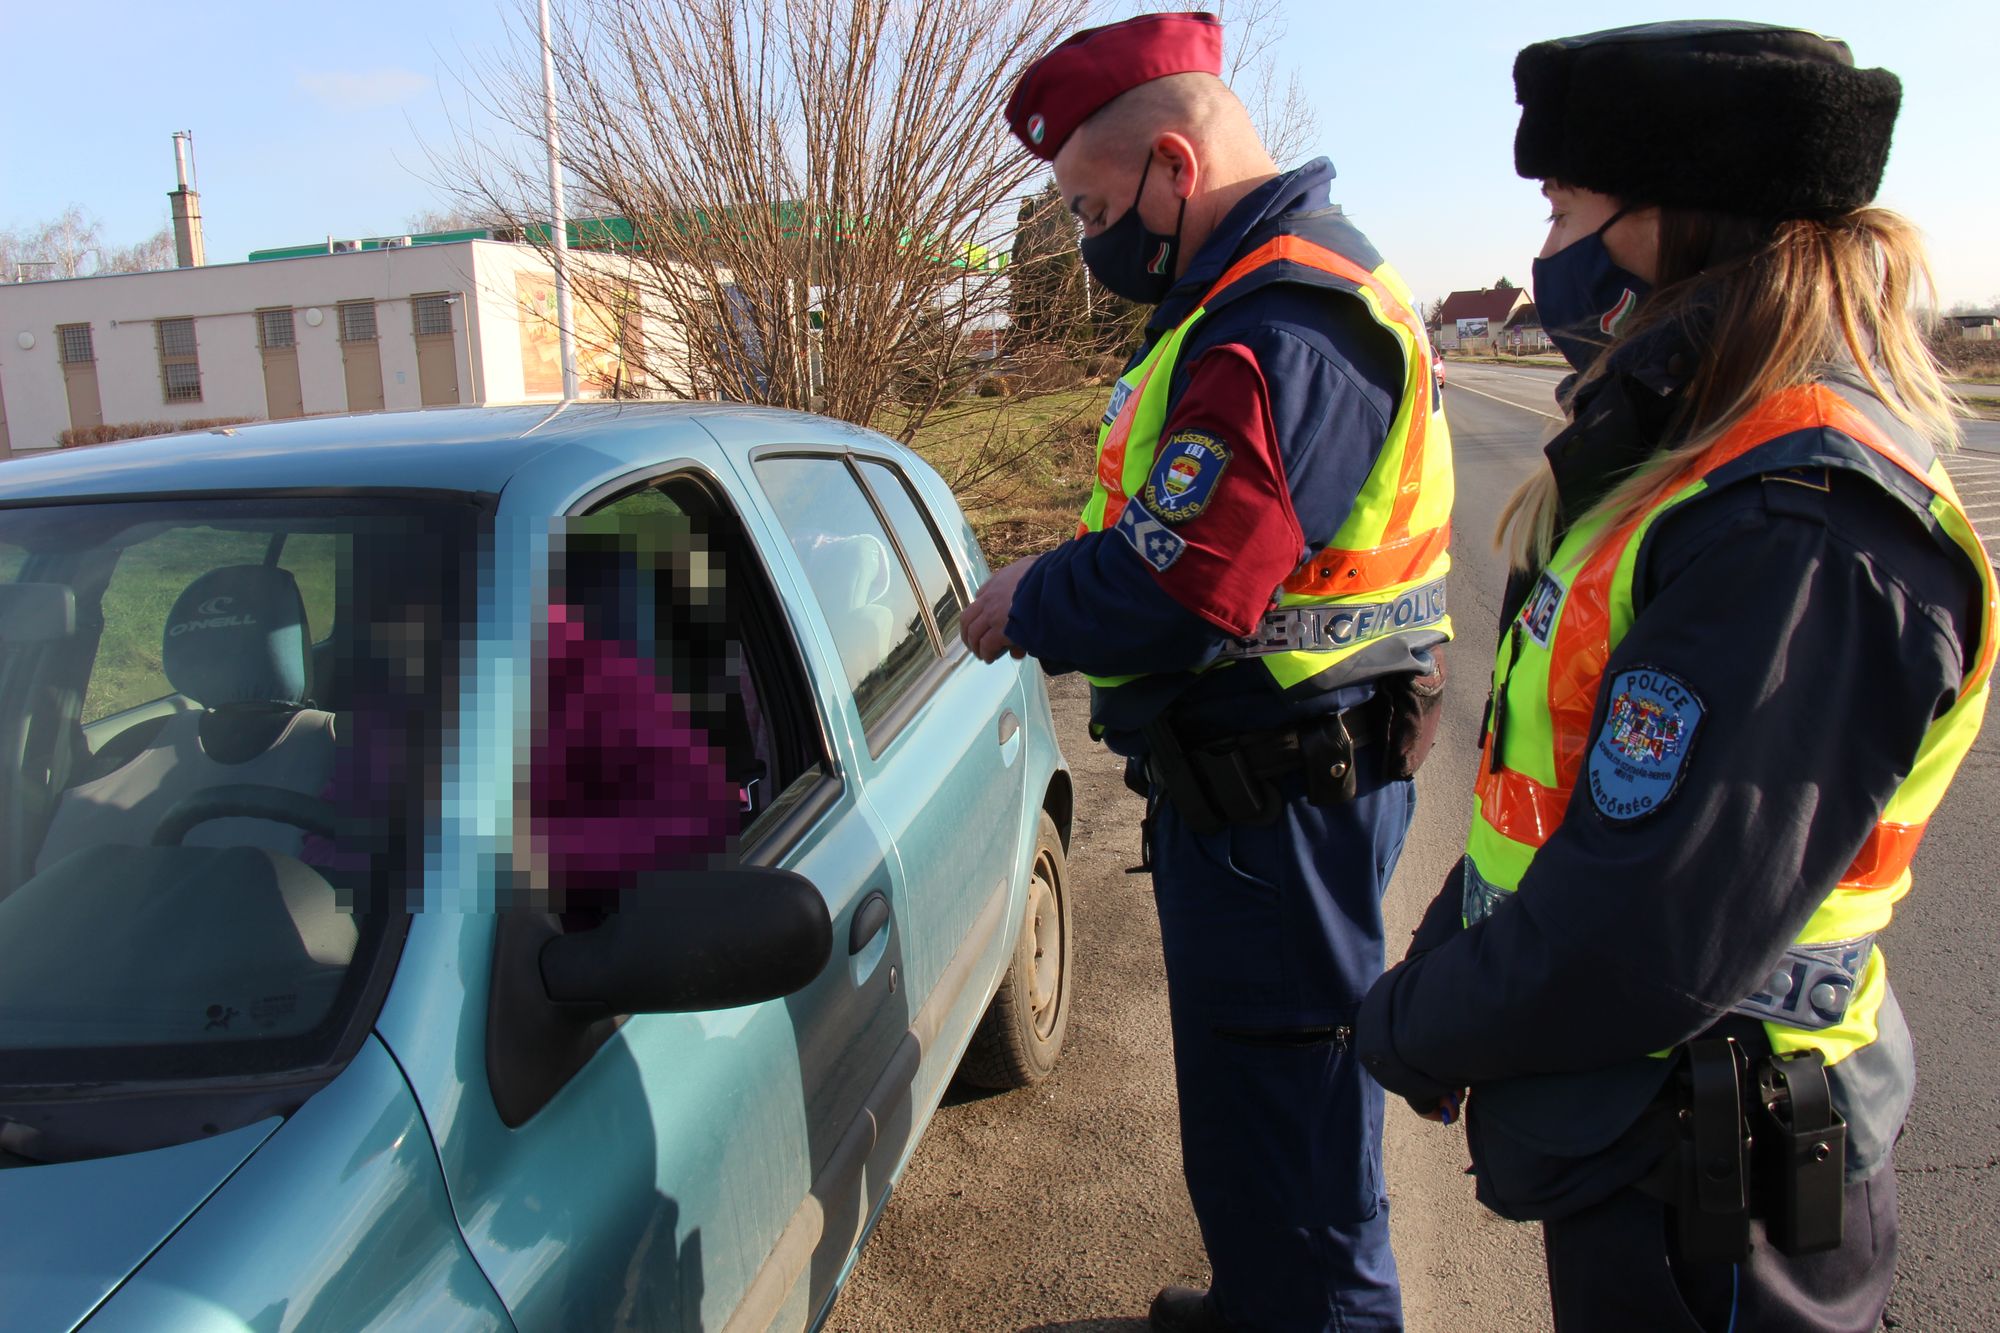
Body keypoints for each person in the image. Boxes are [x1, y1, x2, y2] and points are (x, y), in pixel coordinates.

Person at [1353, 21, 1993, 1333]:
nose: (1548, 246)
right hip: (1651, 1136)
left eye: (1566, 203)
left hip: (1727, 1175)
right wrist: (1446, 950)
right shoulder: (1689, 457)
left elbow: (1645, 937)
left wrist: (1416, 1022)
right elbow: (1557, 810)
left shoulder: (1798, 523)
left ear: (1670, 224)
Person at [960, 13, 1454, 1331]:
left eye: (1091, 205)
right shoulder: (1238, 298)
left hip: (1281, 800)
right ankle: (1263, 1300)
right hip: (1262, 792)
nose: (1084, 241)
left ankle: (1303, 1308)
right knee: (1251, 1115)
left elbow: (1185, 586)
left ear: (1174, 164)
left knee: (1295, 1143)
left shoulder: (1279, 321)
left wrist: (1026, 598)